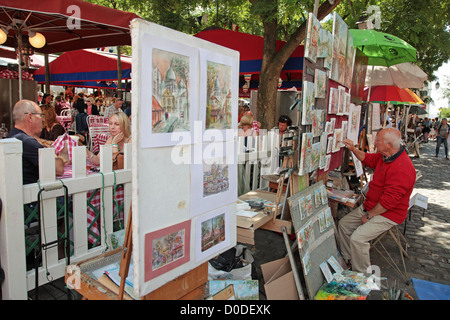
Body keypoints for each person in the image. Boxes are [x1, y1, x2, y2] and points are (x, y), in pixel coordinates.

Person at [339, 128, 416, 273]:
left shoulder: (402, 168)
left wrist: (369, 215)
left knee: (358, 238)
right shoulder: (385, 156)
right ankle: (349, 259)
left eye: (378, 140)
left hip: (387, 213)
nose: (375, 142)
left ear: (389, 144)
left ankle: (362, 276)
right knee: (344, 225)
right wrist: (353, 149)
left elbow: (389, 202)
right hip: (371, 206)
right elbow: (368, 159)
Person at [6, 100, 64, 184]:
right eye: (41, 115)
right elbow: (58, 169)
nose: (43, 119)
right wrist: (51, 150)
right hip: (33, 194)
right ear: (30, 117)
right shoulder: (28, 142)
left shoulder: (12, 137)